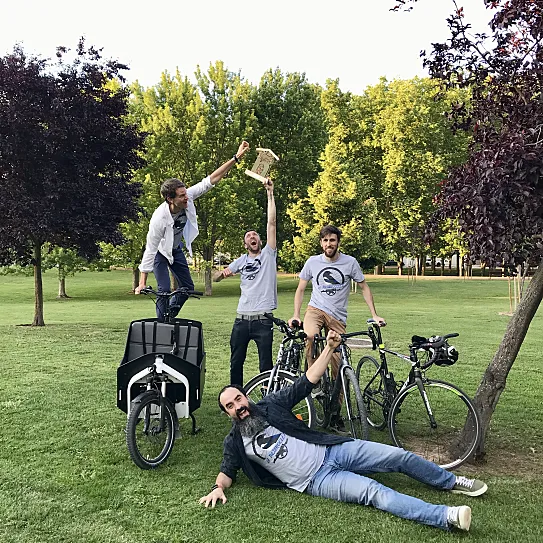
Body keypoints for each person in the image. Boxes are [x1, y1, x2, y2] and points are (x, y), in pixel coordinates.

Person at [199, 330, 488, 532]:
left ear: (245, 397)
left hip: (332, 449)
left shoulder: (270, 405)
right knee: (376, 493)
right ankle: (445, 517)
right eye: (230, 405)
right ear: (227, 413)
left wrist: (328, 349)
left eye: (239, 398)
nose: (238, 406)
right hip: (318, 480)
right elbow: (227, 471)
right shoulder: (235, 442)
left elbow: (307, 381)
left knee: (399, 456)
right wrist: (217, 488)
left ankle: (450, 482)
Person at [135, 141, 250, 321]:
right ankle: (161, 325)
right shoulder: (159, 218)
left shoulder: (188, 195)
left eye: (185, 193)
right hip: (160, 253)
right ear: (169, 199)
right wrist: (142, 283)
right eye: (181, 196)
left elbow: (211, 180)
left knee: (187, 288)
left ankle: (169, 316)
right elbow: (150, 249)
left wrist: (236, 158)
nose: (186, 197)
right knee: (164, 290)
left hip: (176, 251)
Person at [288, 224, 386, 431]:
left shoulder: (350, 262)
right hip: (315, 310)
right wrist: (296, 314)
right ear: (321, 243)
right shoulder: (312, 262)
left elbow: (364, 287)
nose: (328, 244)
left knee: (339, 369)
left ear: (338, 242)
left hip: (337, 318)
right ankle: (312, 376)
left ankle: (334, 415)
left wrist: (374, 315)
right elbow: (300, 289)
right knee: (311, 336)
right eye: (325, 240)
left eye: (332, 240)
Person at [213, 178, 277, 385]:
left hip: (263, 320)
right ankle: (235, 395)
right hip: (241, 320)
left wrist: (269, 193)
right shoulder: (240, 261)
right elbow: (216, 279)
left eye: (255, 235)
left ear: (260, 240)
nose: (253, 237)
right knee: (236, 362)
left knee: (265, 365)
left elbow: (272, 223)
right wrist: (222, 274)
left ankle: (267, 401)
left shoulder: (268, 254)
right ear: (245, 243)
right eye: (249, 235)